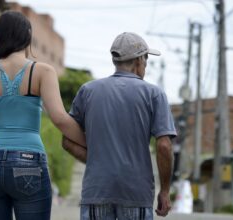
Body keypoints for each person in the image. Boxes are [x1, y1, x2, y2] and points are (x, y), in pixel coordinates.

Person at [0, 11, 85, 220]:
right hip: (28, 160)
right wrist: (90, 144)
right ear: (27, 36)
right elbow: (59, 118)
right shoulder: (43, 71)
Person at [62, 32, 177, 220]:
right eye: (147, 59)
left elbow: (67, 141)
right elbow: (164, 146)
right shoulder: (154, 94)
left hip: (96, 191)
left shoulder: (88, 91)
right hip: (136, 193)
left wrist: (96, 160)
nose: (146, 65)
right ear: (140, 60)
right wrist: (165, 191)